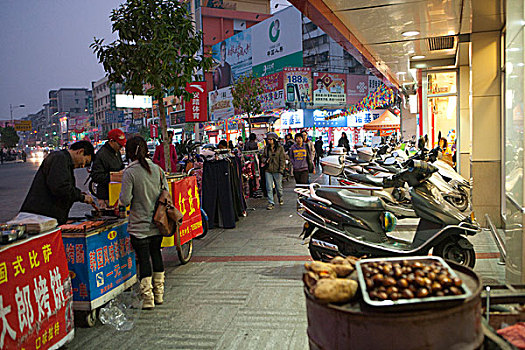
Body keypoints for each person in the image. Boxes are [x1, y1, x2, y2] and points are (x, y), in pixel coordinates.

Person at [119, 136, 168, 310]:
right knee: (156, 255)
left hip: (139, 226)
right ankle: (159, 294)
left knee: (144, 260)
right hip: (157, 224)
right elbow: (166, 194)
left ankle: (148, 299)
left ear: (129, 152)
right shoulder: (158, 170)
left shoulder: (130, 172)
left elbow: (124, 200)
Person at [20, 141, 96, 225]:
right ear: (80, 151)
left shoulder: (65, 161)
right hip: (40, 216)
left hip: (47, 217)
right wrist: (81, 197)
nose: (82, 165)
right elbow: (60, 187)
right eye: (85, 161)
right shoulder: (59, 158)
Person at [91, 129, 126, 208]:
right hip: (105, 196)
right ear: (111, 141)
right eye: (119, 145)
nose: (121, 148)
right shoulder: (101, 154)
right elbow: (96, 176)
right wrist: (112, 177)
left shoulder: (117, 152)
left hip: (117, 193)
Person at [261, 132, 286, 210]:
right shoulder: (266, 148)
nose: (269, 141)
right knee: (269, 187)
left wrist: (281, 170)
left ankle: (280, 198)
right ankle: (271, 202)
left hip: (277, 170)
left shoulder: (280, 148)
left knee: (279, 188)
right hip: (268, 170)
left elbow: (282, 159)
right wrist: (265, 160)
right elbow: (262, 157)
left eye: (271, 139)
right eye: (268, 139)